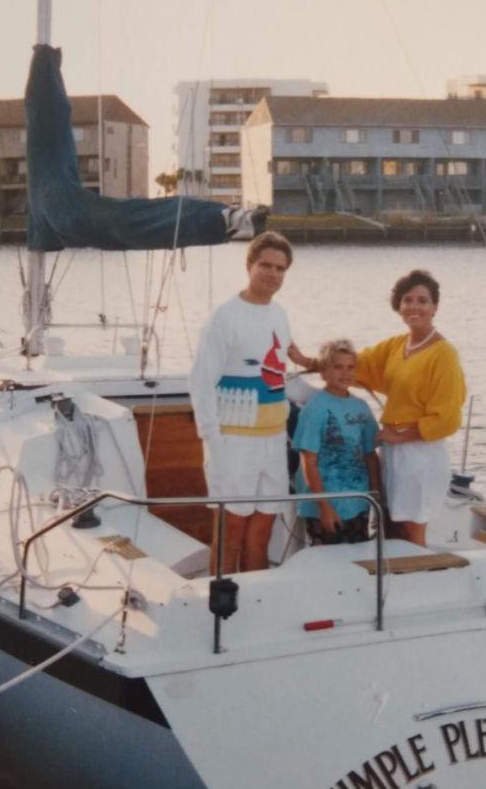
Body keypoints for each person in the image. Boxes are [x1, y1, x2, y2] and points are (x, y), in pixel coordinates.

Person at [24, 44, 265, 251]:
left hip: (53, 205)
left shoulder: (55, 194)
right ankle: (222, 220)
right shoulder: (55, 195)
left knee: (116, 215)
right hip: (52, 205)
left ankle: (220, 219)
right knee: (116, 216)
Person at [189, 231, 315, 573]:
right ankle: (221, 609)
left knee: (261, 534)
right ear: (249, 265)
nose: (273, 274)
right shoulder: (224, 317)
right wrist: (213, 441)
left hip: (273, 442)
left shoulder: (280, 314)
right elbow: (200, 381)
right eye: (266, 265)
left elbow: (280, 348)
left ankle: (255, 602)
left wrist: (309, 360)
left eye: (280, 268)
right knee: (230, 535)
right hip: (233, 441)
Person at [329, 270, 466, 547]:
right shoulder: (397, 345)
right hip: (395, 452)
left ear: (435, 307)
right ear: (399, 306)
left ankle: (417, 583)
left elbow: (446, 418)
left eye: (423, 300)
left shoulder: (444, 354)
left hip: (421, 453)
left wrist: (398, 436)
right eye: (408, 300)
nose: (414, 307)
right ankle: (395, 584)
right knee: (392, 525)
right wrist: (308, 360)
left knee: (412, 531)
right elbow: (356, 364)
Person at [293, 338, 382, 546]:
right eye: (338, 367)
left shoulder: (362, 408)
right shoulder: (314, 408)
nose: (345, 373)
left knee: (357, 565)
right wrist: (324, 507)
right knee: (327, 567)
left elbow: (370, 456)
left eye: (350, 367)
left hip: (359, 504)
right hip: (325, 507)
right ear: (323, 372)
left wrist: (378, 501)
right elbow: (309, 462)